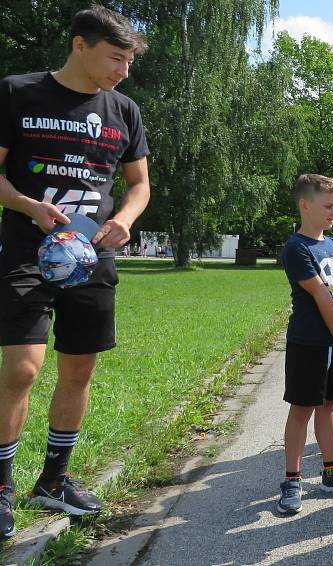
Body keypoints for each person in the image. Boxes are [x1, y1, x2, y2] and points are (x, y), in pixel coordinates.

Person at [0, 5, 151, 539]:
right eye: (116, 59)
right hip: (26, 250)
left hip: (92, 255)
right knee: (22, 368)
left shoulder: (124, 110)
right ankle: (1, 487)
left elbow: (138, 185)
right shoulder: (18, 92)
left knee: (79, 368)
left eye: (129, 62)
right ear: (79, 45)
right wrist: (27, 205)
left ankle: (54, 480)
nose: (122, 72)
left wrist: (125, 220)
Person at [277, 174, 333, 515]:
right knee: (302, 409)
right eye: (328, 206)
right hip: (309, 343)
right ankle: (292, 479)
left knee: (330, 405)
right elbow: (319, 295)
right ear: (305, 205)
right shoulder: (296, 248)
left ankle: (331, 472)